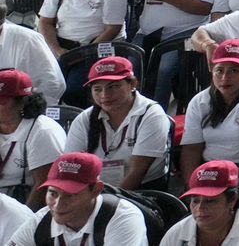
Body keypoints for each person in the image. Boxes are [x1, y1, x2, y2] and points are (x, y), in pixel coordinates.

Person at [62, 55, 171, 189]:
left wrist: (110, 204)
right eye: (97, 89)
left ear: (133, 84)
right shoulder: (85, 118)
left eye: (113, 87)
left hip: (141, 189)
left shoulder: (151, 114)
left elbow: (137, 173)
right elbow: (72, 165)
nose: (104, 95)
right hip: (94, 189)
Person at [3, 153, 147, 246]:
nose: (58, 205)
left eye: (71, 195)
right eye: (53, 193)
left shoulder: (123, 218)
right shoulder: (41, 220)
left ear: (96, 190)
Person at [177, 40, 239, 183]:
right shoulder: (199, 101)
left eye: (234, 70)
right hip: (207, 171)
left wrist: (228, 184)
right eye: (219, 70)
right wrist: (193, 186)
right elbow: (191, 149)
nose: (225, 78)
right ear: (212, 69)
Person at [160, 160, 239, 246]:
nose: (200, 208)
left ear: (232, 200)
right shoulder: (177, 233)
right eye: (195, 200)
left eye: (210, 201)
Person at [0, 69, 64, 206]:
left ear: (22, 102)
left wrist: (25, 224)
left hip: (23, 205)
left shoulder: (44, 130)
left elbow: (44, 185)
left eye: (1, 102)